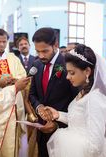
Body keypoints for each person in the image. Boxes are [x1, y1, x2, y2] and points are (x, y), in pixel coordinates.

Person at [45, 44, 106, 157]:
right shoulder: (84, 92)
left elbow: (95, 147)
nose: (67, 77)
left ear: (87, 71)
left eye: (72, 73)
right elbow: (81, 121)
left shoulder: (95, 98)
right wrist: (58, 115)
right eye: (68, 72)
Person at [29, 27, 78, 157]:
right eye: (37, 51)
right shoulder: (36, 65)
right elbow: (32, 94)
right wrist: (39, 107)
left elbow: (77, 101)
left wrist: (56, 123)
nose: (41, 56)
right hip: (42, 128)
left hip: (63, 131)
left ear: (55, 45)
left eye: (45, 51)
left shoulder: (69, 65)